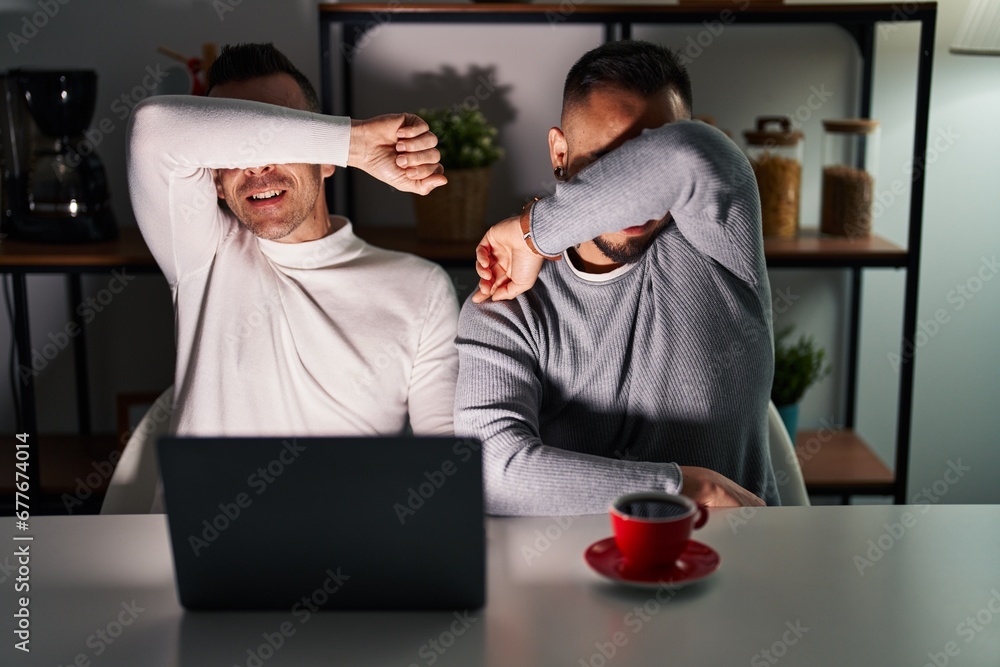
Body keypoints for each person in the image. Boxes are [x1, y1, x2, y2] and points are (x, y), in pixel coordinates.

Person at [127, 44, 459, 509]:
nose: (256, 164)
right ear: (216, 182)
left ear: (324, 160)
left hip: (351, 553)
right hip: (203, 553)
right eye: (233, 147)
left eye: (280, 137)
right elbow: (152, 129)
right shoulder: (201, 252)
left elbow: (444, 458)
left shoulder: (420, 287)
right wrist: (353, 142)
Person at [455, 40, 777, 515]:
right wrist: (683, 489)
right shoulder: (509, 299)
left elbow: (689, 156)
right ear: (558, 153)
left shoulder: (720, 242)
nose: (637, 203)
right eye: (605, 165)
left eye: (641, 165)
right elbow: (489, 472)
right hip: (573, 575)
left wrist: (532, 234)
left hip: (737, 566)